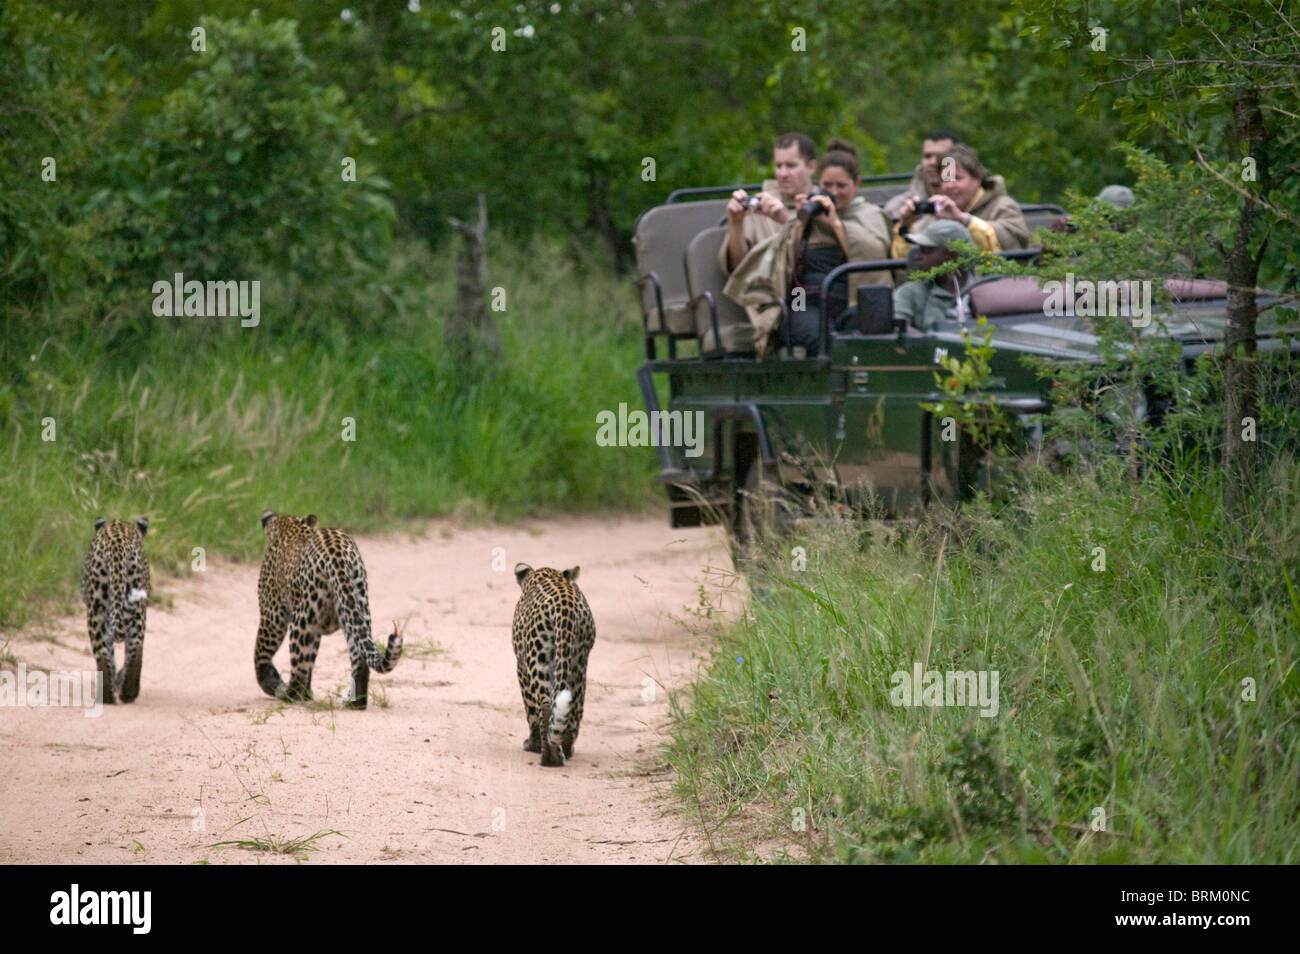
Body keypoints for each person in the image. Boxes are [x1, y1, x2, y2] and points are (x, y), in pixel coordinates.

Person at [722, 154, 880, 358]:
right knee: (813, 331)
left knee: (863, 328)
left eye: (841, 186)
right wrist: (799, 222)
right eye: (827, 185)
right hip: (801, 297)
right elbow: (787, 263)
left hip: (847, 297)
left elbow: (872, 260)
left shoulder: (867, 215)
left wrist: (835, 226)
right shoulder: (809, 211)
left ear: (856, 183)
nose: (834, 192)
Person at [891, 144, 1030, 256]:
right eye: (945, 179)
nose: (951, 186)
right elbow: (907, 264)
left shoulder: (1003, 206)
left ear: (978, 178)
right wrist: (905, 226)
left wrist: (963, 219)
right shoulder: (936, 214)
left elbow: (1013, 244)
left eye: (958, 178)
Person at [719, 132, 817, 274]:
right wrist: (736, 224)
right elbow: (739, 271)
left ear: (811, 167)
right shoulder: (758, 208)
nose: (782, 174)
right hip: (771, 291)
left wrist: (786, 220)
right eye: (778, 166)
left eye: (791, 165)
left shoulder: (826, 204)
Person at [892, 220, 976, 332]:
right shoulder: (910, 293)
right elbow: (896, 326)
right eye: (919, 249)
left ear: (950, 256)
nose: (917, 257)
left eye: (926, 251)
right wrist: (927, 342)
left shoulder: (983, 291)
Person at [882, 130, 962, 220]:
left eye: (941, 156)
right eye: (927, 156)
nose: (933, 162)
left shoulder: (973, 202)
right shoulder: (896, 208)